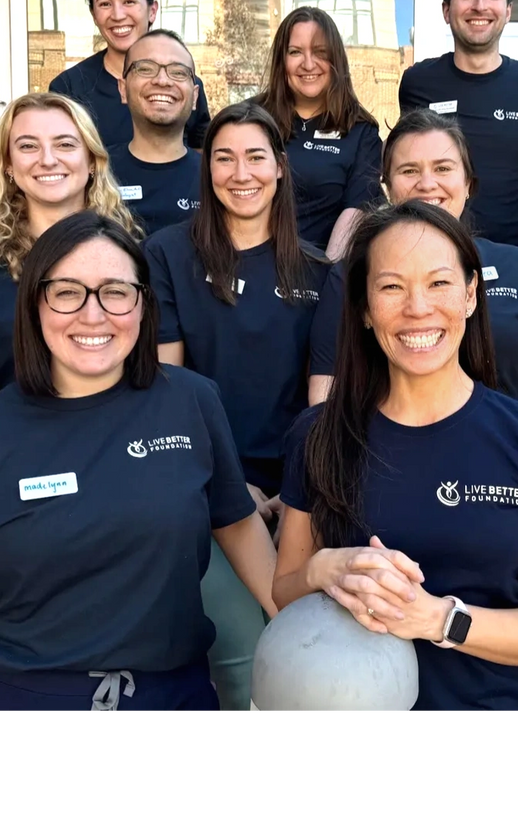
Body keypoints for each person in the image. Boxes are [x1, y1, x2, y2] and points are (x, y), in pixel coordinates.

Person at [0, 211, 278, 713]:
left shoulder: (191, 402)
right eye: (67, 292)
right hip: (26, 699)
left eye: (115, 292)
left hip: (172, 696)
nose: (93, 314)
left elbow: (236, 524)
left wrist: (296, 623)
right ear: (34, 304)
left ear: (143, 304)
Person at [274, 200, 518, 714]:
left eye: (439, 283)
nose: (417, 307)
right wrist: (323, 569)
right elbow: (285, 590)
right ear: (363, 308)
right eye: (391, 287)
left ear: (470, 295)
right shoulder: (319, 435)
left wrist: (440, 619)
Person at [144, 100, 333, 712]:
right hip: (204, 486)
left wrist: (294, 495)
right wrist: (232, 485)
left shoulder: (320, 271)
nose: (241, 173)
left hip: (297, 496)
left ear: (280, 167)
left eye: (256, 157)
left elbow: (323, 406)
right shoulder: (167, 255)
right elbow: (168, 385)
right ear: (207, 170)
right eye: (224, 158)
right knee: (238, 658)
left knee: (304, 662)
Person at [309, 109, 518, 418]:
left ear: (468, 183)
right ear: (387, 187)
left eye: (442, 168)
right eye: (409, 170)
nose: (427, 184)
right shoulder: (350, 275)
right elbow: (326, 397)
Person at [0, 91, 140, 413]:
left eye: (65, 144)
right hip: (11, 436)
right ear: (8, 165)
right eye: (28, 146)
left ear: (92, 161)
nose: (48, 159)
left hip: (116, 431)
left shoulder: (128, 253)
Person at [398, 0, 518, 249]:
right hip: (433, 252)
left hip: (512, 259)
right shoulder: (418, 83)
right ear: (446, 10)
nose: (480, 5)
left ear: (508, 11)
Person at [253, 6, 383, 258]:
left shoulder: (360, 131)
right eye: (295, 52)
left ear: (336, 60)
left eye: (320, 52)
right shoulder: (251, 118)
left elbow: (356, 211)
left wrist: (329, 272)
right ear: (281, 60)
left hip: (321, 268)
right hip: (249, 265)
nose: (308, 64)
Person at [49, 0, 211, 151]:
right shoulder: (69, 88)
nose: (117, 15)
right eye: (105, 4)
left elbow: (200, 155)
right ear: (94, 15)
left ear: (152, 11)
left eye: (129, 2)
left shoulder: (182, 84)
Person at [107, 28, 203, 235]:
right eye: (145, 69)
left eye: (178, 72)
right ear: (123, 89)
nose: (162, 80)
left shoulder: (216, 176)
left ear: (195, 97)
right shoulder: (95, 173)